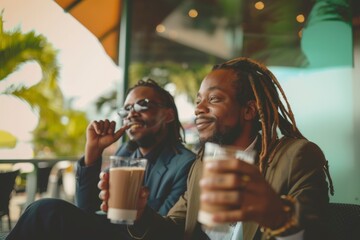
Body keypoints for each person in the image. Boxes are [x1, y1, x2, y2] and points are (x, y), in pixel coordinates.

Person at [98, 57, 333, 240]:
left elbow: (314, 233)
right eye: (198, 100)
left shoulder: (298, 157)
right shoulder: (201, 166)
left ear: (249, 110)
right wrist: (140, 216)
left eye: (214, 99)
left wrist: (275, 212)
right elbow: (175, 231)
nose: (199, 109)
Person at [6, 79, 196, 240]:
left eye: (143, 104)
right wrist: (93, 152)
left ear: (169, 115)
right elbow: (86, 209)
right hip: (108, 231)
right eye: (127, 109)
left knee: (46, 210)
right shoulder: (126, 154)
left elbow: (164, 230)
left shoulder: (185, 164)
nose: (131, 114)